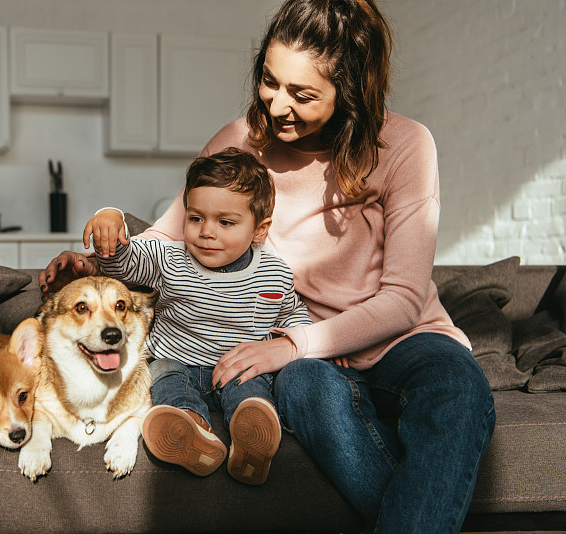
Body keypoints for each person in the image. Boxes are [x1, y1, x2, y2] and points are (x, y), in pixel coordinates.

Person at [39, 0, 495, 531]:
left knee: (458, 386)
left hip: (396, 340)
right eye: (270, 82)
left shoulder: (405, 145)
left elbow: (402, 300)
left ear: (350, 92)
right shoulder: (240, 141)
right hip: (308, 358)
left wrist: (292, 345)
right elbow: (169, 241)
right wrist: (97, 258)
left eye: (302, 94)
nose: (278, 106)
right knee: (306, 390)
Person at [85, 147, 312, 486]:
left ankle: (251, 438)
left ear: (260, 230)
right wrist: (110, 217)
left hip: (237, 366)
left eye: (225, 222)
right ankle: (191, 431)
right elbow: (122, 264)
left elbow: (292, 313)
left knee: (251, 390)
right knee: (165, 380)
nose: (206, 231)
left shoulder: (275, 272)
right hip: (176, 361)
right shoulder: (168, 258)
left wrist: (307, 340)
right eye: (195, 218)